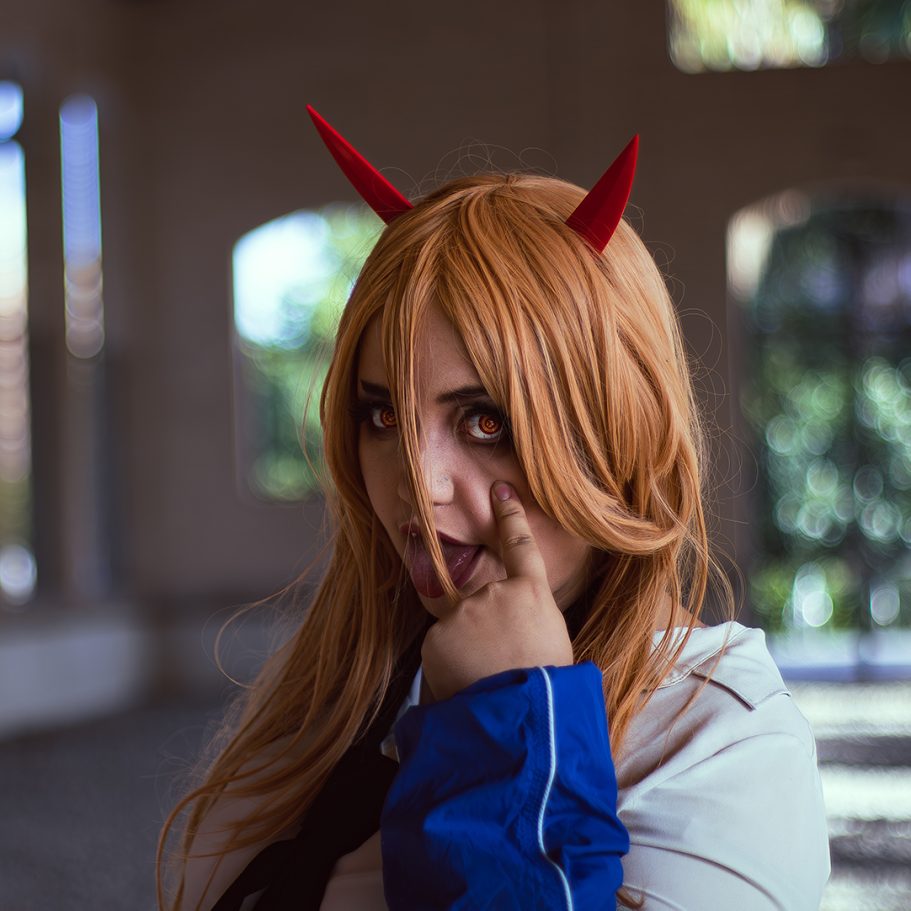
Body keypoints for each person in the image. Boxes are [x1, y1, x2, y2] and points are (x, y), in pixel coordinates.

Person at [157, 107, 831, 911]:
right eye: (384, 415)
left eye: (484, 421)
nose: (418, 481)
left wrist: (511, 721)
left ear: (617, 429)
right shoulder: (321, 710)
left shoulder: (718, 734)